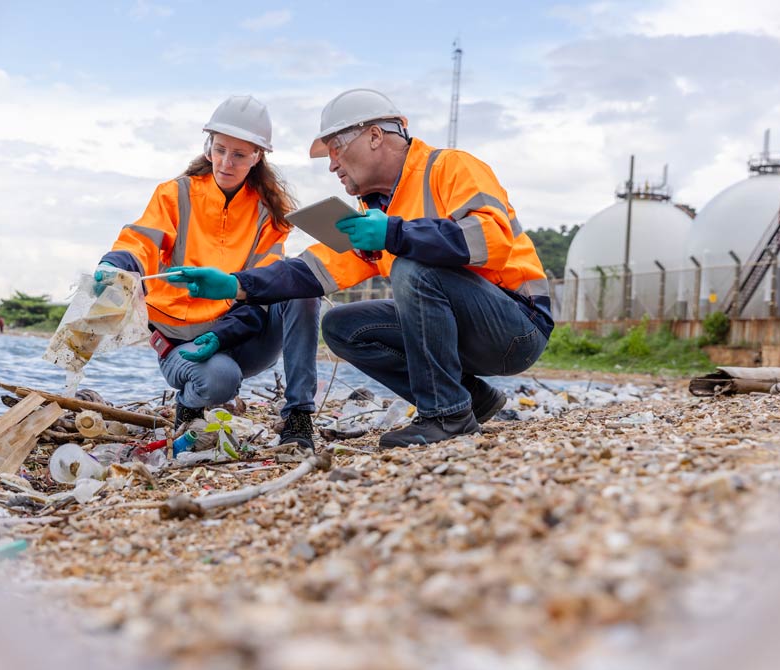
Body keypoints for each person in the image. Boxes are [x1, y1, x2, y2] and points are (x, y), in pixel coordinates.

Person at [169, 88, 553, 449]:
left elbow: (491, 240)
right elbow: (311, 271)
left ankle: (446, 415)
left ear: (373, 136)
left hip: (516, 327)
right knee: (342, 327)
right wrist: (236, 285)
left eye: (336, 149)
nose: (332, 164)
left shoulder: (451, 167)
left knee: (412, 269)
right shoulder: (375, 213)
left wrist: (393, 233)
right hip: (468, 329)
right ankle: (470, 399)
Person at [93, 95, 320, 449]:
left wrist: (225, 333)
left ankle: (299, 418)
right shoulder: (175, 194)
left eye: (239, 155)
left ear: (258, 156)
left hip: (244, 333)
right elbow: (142, 240)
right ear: (209, 145)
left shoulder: (270, 212)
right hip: (184, 342)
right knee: (219, 380)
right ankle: (189, 404)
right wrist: (115, 264)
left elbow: (267, 283)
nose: (225, 162)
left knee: (300, 285)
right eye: (219, 149)